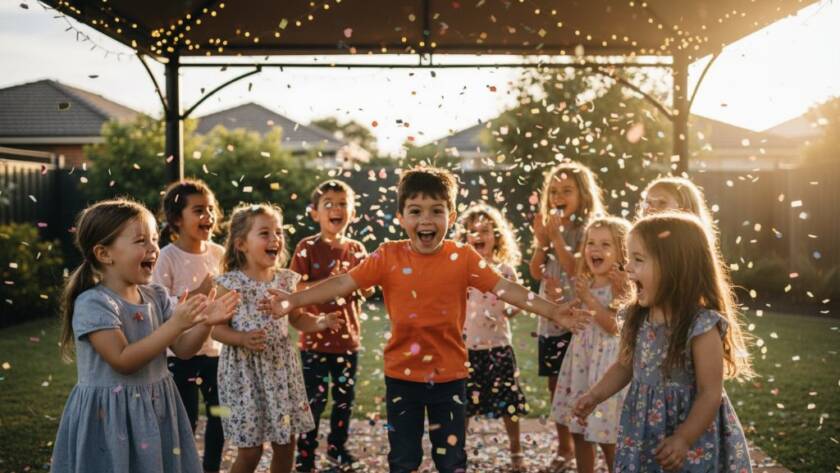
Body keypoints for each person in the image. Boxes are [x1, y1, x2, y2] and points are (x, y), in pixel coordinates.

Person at [259, 167, 588, 473]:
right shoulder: (387, 255)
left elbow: (506, 289)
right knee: (403, 459)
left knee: (452, 460)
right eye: (415, 211)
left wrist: (553, 310)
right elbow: (344, 282)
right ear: (401, 217)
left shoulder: (463, 257)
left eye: (436, 211)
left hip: (451, 378)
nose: (426, 219)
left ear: (451, 216)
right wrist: (295, 299)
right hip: (402, 378)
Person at [51, 199, 238, 473]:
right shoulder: (94, 303)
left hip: (156, 406)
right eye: (141, 241)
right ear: (104, 254)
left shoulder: (155, 295)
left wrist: (206, 323)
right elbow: (123, 360)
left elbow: (184, 349)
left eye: (154, 239)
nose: (153, 248)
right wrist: (175, 324)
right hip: (111, 415)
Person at [574, 212, 754, 472]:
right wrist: (595, 395)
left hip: (692, 436)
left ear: (674, 266)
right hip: (643, 431)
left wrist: (684, 438)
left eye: (638, 259)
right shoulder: (636, 317)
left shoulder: (701, 326)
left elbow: (710, 392)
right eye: (628, 258)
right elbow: (624, 366)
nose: (627, 268)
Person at [211, 203, 343, 473]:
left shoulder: (286, 281)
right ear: (241, 244)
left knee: (286, 445)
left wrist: (321, 322)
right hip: (243, 375)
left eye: (278, 232)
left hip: (280, 372)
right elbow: (215, 328)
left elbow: (296, 319)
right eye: (265, 233)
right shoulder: (230, 283)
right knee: (250, 450)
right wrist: (241, 338)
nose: (275, 239)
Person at [529, 161, 604, 472]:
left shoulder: (590, 229)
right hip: (551, 318)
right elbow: (535, 270)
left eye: (567, 190)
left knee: (583, 385)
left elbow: (574, 269)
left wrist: (556, 238)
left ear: (583, 195)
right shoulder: (548, 227)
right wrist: (541, 243)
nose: (559, 196)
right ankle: (565, 446)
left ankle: (593, 441)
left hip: (578, 320)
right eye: (554, 191)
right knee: (555, 385)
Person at [292, 180, 370, 472]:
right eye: (329, 204)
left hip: (348, 342)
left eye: (342, 204)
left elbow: (368, 289)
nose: (336, 209)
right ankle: (306, 455)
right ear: (315, 213)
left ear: (352, 212)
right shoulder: (307, 248)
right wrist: (332, 283)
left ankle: (337, 449)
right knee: (313, 402)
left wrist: (356, 284)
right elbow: (296, 285)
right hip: (314, 341)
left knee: (343, 401)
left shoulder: (357, 249)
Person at [154, 179, 226, 473]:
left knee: (221, 413)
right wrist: (202, 290)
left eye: (210, 209)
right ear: (175, 219)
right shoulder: (166, 258)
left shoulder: (220, 254)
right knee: (187, 419)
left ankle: (211, 467)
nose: (207, 216)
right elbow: (163, 306)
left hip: (215, 355)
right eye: (198, 210)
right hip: (180, 358)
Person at [550, 216, 632, 473]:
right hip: (582, 360)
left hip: (606, 365)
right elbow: (582, 323)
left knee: (607, 434)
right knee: (579, 429)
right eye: (591, 243)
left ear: (622, 251)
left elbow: (612, 327)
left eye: (606, 244)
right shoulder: (586, 282)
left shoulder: (622, 287)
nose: (595, 250)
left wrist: (588, 299)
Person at [458, 204, 530, 472]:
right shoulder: (460, 272)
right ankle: (458, 453)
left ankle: (516, 453)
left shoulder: (505, 271)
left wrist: (514, 309)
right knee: (463, 406)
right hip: (466, 350)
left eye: (485, 230)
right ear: (464, 239)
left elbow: (512, 307)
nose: (478, 235)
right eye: (472, 231)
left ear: (496, 236)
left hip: (499, 348)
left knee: (509, 405)